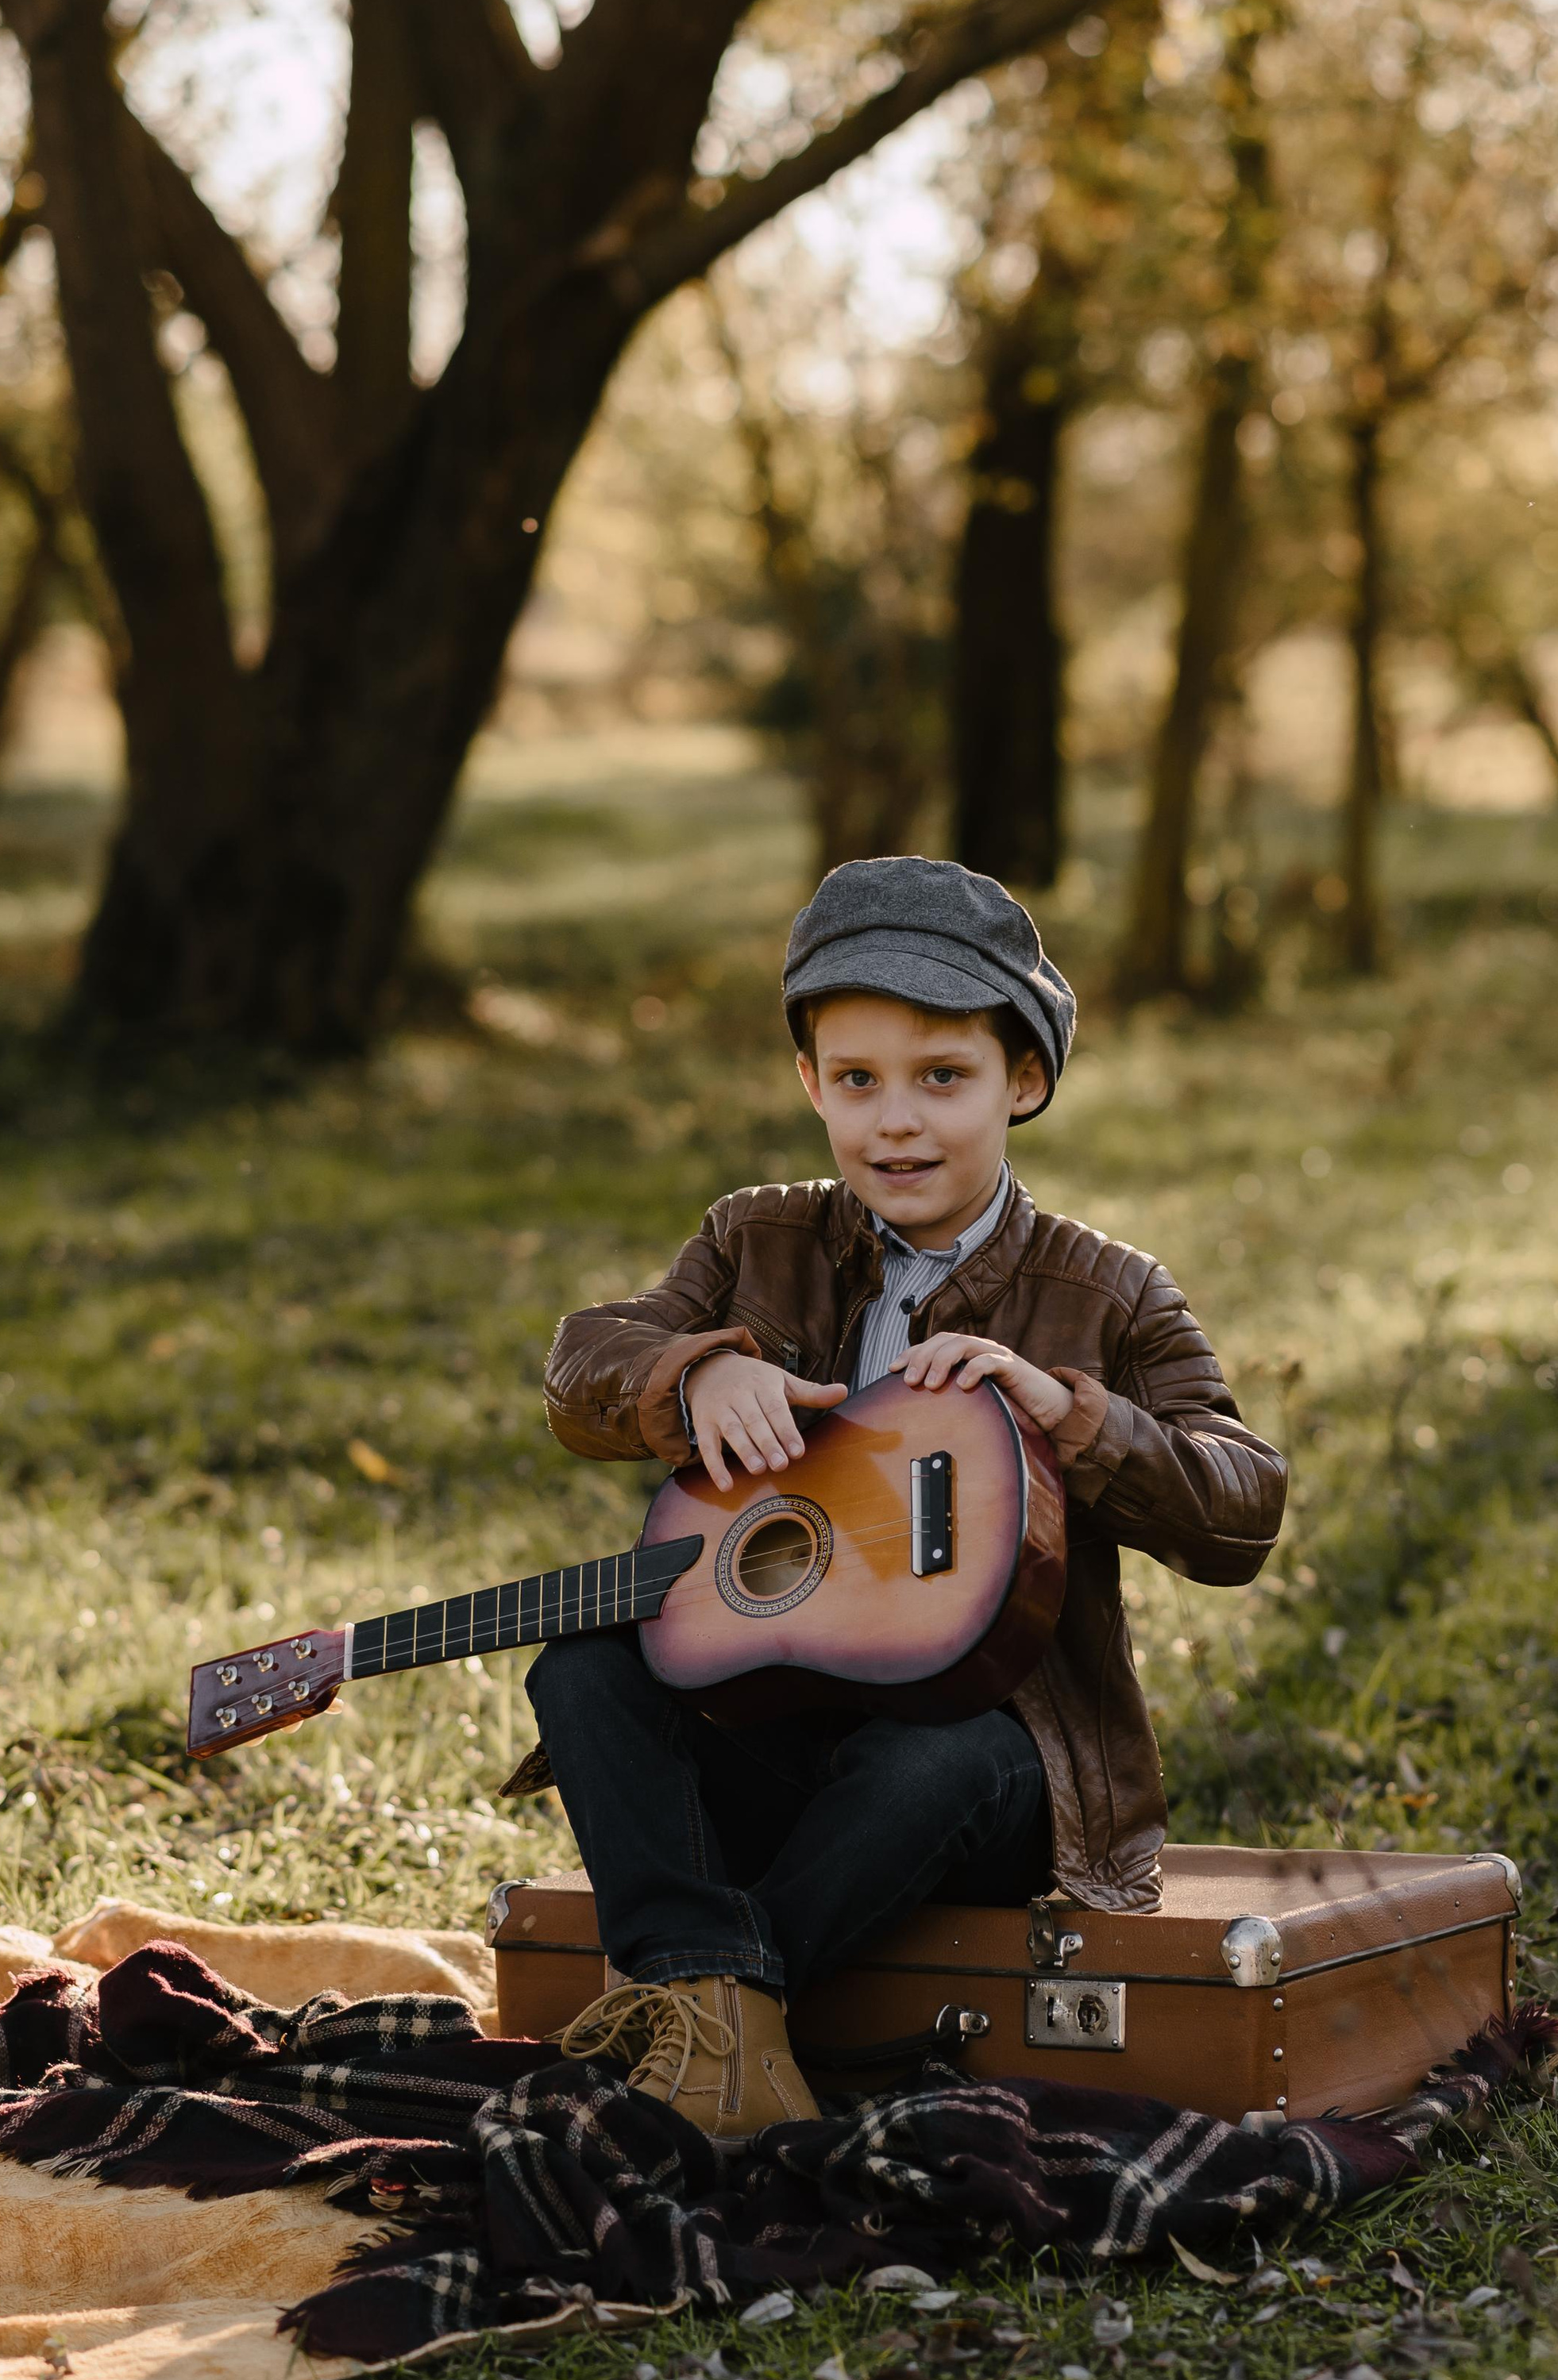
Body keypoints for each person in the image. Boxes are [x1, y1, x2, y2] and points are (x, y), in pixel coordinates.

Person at [530, 855, 1286, 2142]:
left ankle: (690, 2002)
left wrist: (1073, 1415)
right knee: (588, 1667)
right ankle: (730, 2023)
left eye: (945, 1078)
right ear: (811, 1081)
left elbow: (1243, 1504)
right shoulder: (753, 1239)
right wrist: (696, 1369)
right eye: (859, 1080)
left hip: (984, 1767)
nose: (898, 1123)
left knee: (929, 1760)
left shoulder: (1107, 1294)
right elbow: (580, 1363)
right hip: (773, 1731)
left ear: (1024, 1080)